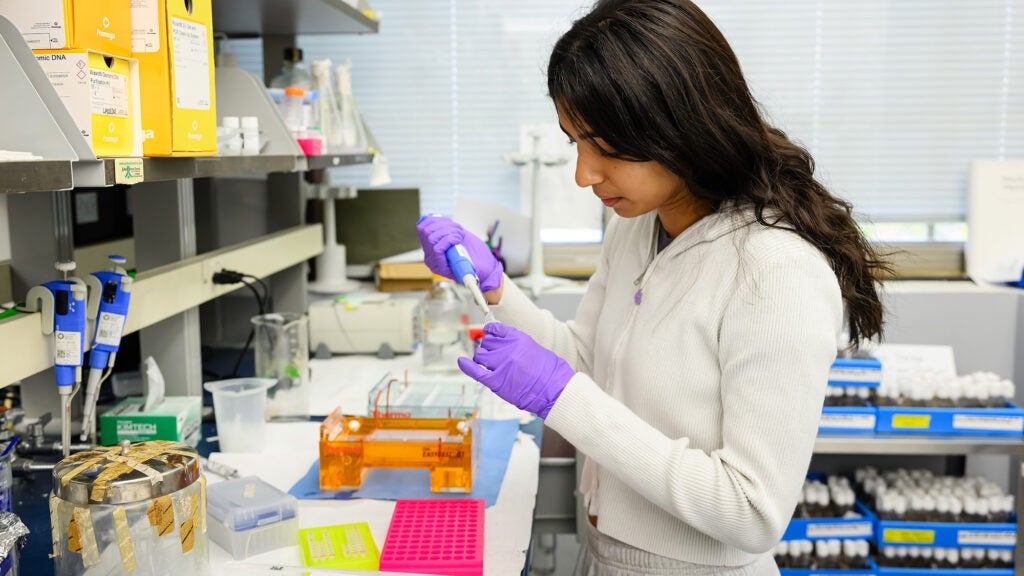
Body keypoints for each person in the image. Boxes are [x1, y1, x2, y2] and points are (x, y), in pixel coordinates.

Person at [417, 0, 888, 573]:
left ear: (679, 126)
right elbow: (589, 365)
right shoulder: (637, 226)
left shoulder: (774, 271)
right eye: (575, 142)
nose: (584, 174)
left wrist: (558, 396)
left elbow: (753, 511)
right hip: (602, 554)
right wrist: (495, 291)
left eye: (606, 147)